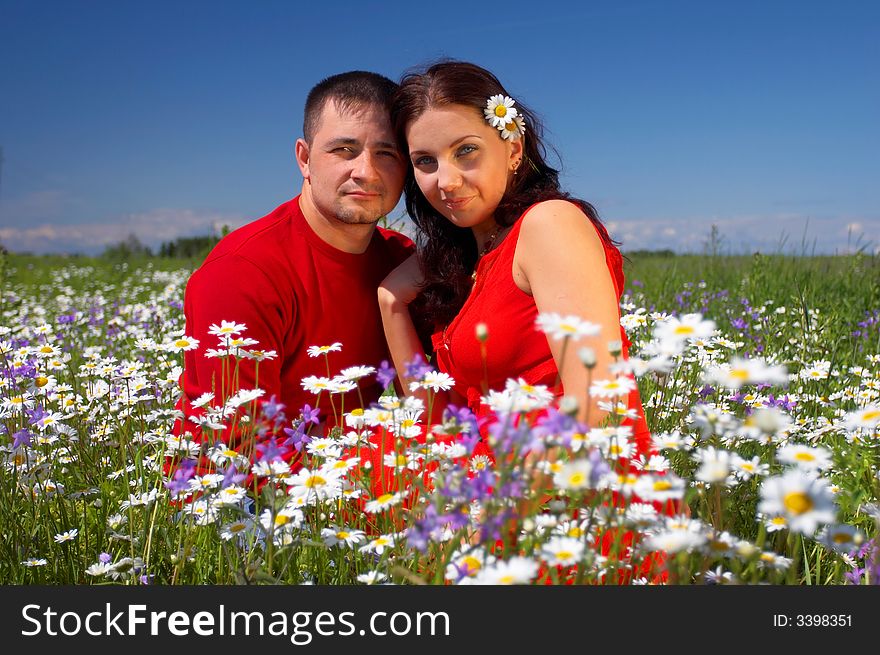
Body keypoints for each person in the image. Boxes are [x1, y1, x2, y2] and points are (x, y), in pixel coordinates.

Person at [379, 61, 651, 455]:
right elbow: (437, 426)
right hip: (490, 477)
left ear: (513, 150)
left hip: (577, 487)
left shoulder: (550, 225)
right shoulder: (468, 260)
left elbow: (598, 407)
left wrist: (493, 507)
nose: (446, 181)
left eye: (466, 151)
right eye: (426, 161)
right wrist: (390, 301)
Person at [174, 71, 413, 470]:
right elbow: (238, 450)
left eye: (387, 154)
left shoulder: (400, 264)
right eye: (344, 150)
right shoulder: (244, 270)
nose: (367, 172)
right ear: (304, 158)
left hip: (350, 473)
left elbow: (433, 402)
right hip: (241, 498)